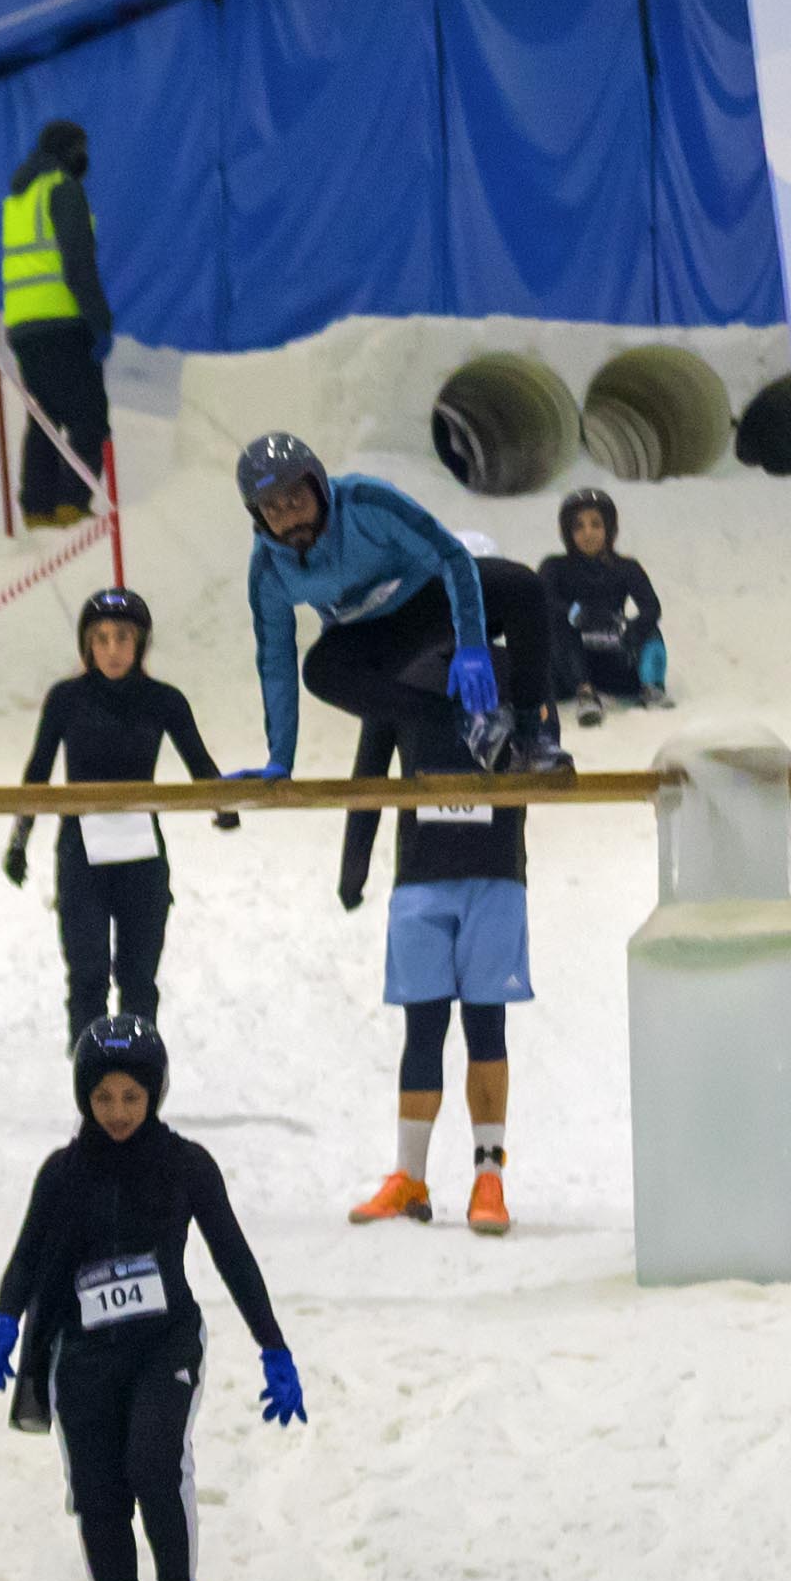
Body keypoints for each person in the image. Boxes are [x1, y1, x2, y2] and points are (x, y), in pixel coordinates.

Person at [0, 1015, 302, 1581]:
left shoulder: (186, 1165)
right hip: (83, 1356)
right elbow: (29, 1255)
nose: (118, 1111)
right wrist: (5, 1320)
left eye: (132, 1095)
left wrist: (272, 1344)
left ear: (155, 1092)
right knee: (98, 1495)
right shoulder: (63, 1174)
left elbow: (232, 1254)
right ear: (83, 1098)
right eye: (103, 1097)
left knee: (154, 1461)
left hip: (165, 1345)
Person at [237, 431, 561, 780]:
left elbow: (452, 557)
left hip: (428, 598)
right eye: (272, 509)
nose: (289, 519)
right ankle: (464, 722)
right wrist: (279, 760)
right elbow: (276, 662)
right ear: (258, 516)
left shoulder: (367, 501)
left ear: (318, 488)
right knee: (320, 672)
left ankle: (530, 734)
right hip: (371, 635)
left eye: (296, 500)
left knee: (522, 586)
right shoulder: (268, 570)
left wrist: (471, 644)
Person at [340, 699, 547, 1235]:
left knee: (487, 1024)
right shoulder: (397, 677)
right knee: (423, 1026)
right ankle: (410, 1176)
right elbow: (369, 771)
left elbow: (545, 750)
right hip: (420, 875)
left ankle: (489, 1177)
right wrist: (353, 864)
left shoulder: (512, 674)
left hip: (495, 871)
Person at [1, 583, 238, 1043]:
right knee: (87, 976)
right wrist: (19, 840)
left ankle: (138, 1072)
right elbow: (37, 773)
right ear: (87, 644)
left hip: (141, 856)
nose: (113, 649)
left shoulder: (165, 700)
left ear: (141, 643)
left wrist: (222, 805)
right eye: (102, 638)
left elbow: (200, 763)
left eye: (123, 638)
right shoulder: (66, 699)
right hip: (81, 856)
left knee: (138, 978)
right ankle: (89, 1072)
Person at [0, 120, 113, 529]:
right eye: (82, 149)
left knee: (45, 416)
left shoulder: (18, 198)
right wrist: (99, 320)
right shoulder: (63, 189)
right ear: (69, 151)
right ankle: (72, 504)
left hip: (23, 325)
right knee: (89, 416)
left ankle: (37, 508)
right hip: (63, 322)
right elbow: (78, 263)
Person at [537, 489, 670, 723]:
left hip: (613, 656)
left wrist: (631, 628)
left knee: (652, 632)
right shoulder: (554, 567)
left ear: (609, 528)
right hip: (569, 663)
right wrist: (575, 614)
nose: (588, 533)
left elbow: (651, 608)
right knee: (556, 626)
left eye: (596, 524)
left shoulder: (627, 567)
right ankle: (585, 693)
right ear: (568, 533)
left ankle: (652, 686)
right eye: (579, 527)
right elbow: (543, 601)